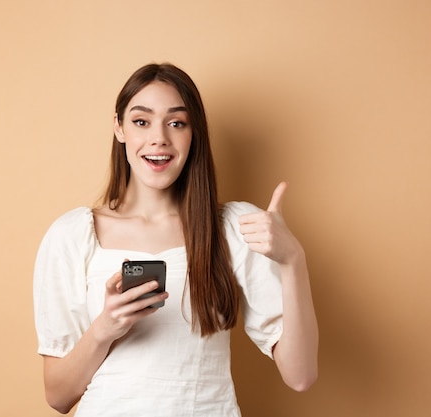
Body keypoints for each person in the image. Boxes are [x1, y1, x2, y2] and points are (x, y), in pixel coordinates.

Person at [33, 63, 319, 416]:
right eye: (141, 121)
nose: (159, 138)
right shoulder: (72, 235)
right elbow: (58, 396)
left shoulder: (233, 228)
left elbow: (301, 375)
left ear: (193, 134)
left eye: (176, 123)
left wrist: (293, 259)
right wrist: (104, 329)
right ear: (119, 127)